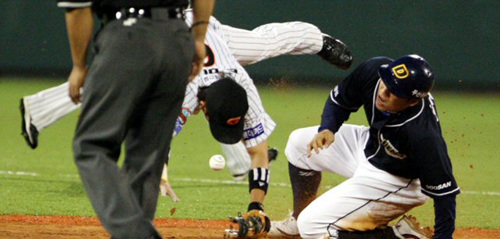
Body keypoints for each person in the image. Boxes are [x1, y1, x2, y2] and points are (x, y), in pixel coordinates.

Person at [20, 15, 353, 202]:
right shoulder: (185, 92)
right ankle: (37, 110)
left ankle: (317, 39)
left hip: (207, 35)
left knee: (264, 45)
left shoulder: (240, 84)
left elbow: (255, 144)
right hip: (157, 31)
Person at [57, 0, 214, 239]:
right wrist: (198, 37)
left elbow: (78, 8)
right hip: (177, 37)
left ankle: (135, 234)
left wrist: (79, 65)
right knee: (148, 155)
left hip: (128, 37)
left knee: (91, 145)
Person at [271, 55, 460, 239]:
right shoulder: (374, 70)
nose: (383, 91)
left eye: (393, 91)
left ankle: (398, 235)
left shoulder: (422, 135)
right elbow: (340, 99)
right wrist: (328, 128)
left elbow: (444, 190)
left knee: (311, 227)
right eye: (385, 81)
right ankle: (296, 219)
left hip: (396, 179)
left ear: (412, 102)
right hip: (372, 144)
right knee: (298, 142)